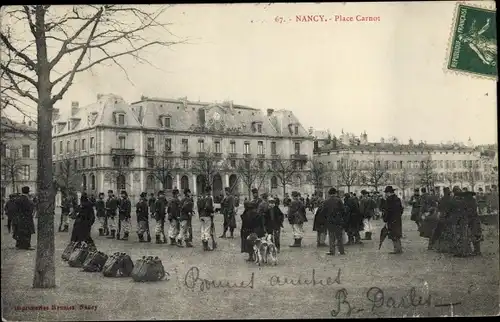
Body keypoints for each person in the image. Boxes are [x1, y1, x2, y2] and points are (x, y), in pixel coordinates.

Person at [321, 188, 346, 256]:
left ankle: (332, 250)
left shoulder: (326, 201)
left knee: (331, 236)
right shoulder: (339, 200)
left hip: (330, 221)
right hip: (338, 220)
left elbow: (323, 212)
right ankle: (341, 251)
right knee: (339, 237)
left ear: (329, 193)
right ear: (335, 193)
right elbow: (343, 210)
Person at [240, 188, 262, 261]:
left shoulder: (259, 201)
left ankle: (254, 255)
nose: (255, 194)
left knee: (253, 241)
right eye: (253, 193)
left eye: (255, 193)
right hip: (252, 225)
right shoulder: (252, 202)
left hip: (254, 224)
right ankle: (251, 256)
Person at [432, 187, 455, 253]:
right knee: (450, 232)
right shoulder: (451, 199)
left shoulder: (441, 199)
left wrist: (438, 216)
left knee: (441, 232)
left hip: (442, 217)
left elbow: (439, 209)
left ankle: (441, 247)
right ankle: (451, 247)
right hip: (450, 217)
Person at [383, 186, 404, 254]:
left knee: (393, 234)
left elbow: (387, 211)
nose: (385, 194)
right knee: (397, 234)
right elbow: (401, 209)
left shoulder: (389, 200)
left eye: (386, 192)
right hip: (397, 219)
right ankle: (399, 248)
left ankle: (397, 249)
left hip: (391, 220)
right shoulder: (397, 199)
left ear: (389, 192)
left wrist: (385, 219)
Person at [198, 186, 215, 251]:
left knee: (202, 230)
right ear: (209, 191)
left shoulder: (201, 198)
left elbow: (199, 207)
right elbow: (208, 206)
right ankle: (206, 246)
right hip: (207, 215)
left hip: (201, 215)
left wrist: (200, 215)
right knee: (207, 230)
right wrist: (212, 211)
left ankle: (203, 245)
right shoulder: (209, 198)